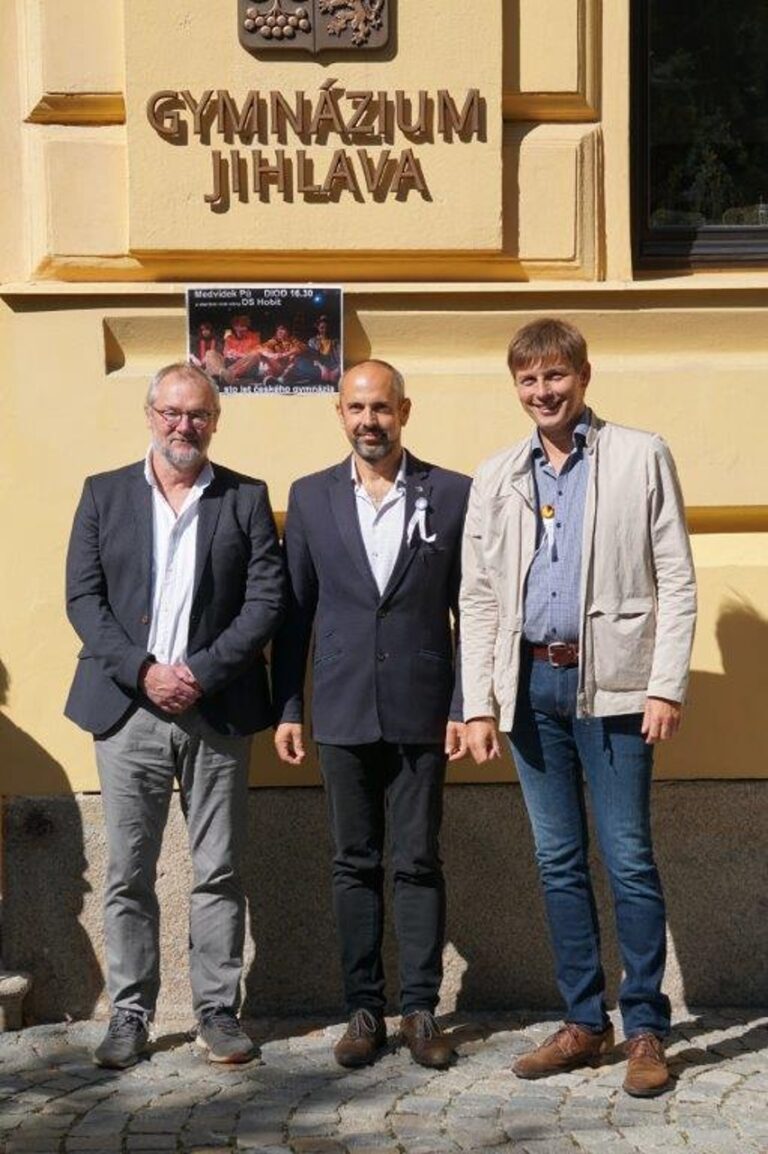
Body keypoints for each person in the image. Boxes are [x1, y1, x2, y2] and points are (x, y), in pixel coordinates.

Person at [461, 318, 696, 1097]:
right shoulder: (498, 475)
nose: (543, 392)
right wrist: (480, 703)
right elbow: (479, 596)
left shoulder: (640, 454)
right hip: (531, 691)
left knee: (628, 857)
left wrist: (665, 684)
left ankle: (646, 1029)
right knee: (557, 860)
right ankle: (584, 1023)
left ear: (583, 377)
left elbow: (676, 576)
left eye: (555, 376)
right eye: (528, 380)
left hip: (618, 688)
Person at [65, 363, 285, 1069]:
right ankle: (131, 1012)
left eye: (197, 414)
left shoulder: (245, 497)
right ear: (150, 415)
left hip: (215, 707)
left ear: (215, 421)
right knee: (129, 870)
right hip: (127, 708)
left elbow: (266, 600)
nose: (183, 426)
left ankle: (217, 1011)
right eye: (171, 412)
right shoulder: (103, 493)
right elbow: (83, 598)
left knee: (218, 867)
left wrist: (201, 672)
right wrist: (144, 671)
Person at [272, 359, 470, 1070]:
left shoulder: (452, 494)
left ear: (403, 412)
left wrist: (463, 703)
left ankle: (420, 1009)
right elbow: (295, 614)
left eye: (381, 408)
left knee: (417, 860)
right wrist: (289, 706)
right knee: (352, 862)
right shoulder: (310, 497)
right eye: (356, 408)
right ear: (340, 414)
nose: (369, 421)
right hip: (342, 705)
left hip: (423, 707)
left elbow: (470, 609)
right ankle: (362, 1010)